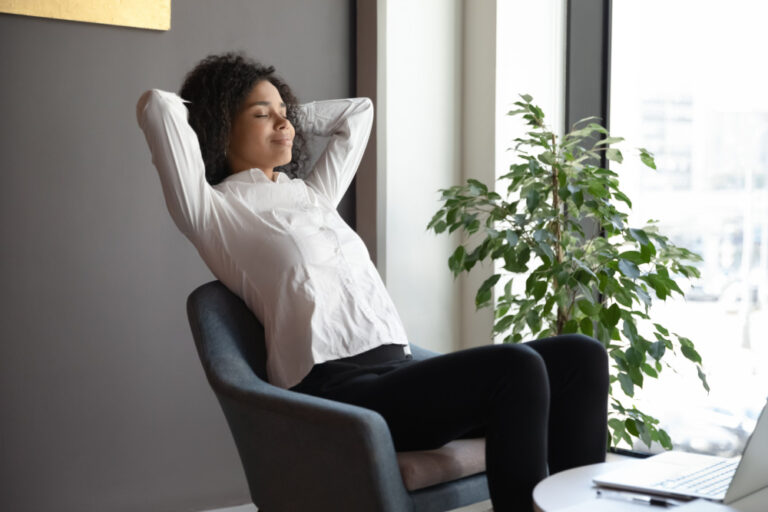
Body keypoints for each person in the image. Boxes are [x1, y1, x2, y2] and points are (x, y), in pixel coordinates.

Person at [136, 52, 609, 511]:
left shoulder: (311, 195)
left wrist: (281, 108)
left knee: (581, 355)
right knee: (516, 366)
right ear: (221, 128)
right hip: (340, 393)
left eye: (286, 113)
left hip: (399, 375)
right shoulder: (214, 212)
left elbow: (358, 114)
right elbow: (157, 106)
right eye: (263, 115)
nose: (285, 124)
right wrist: (207, 112)